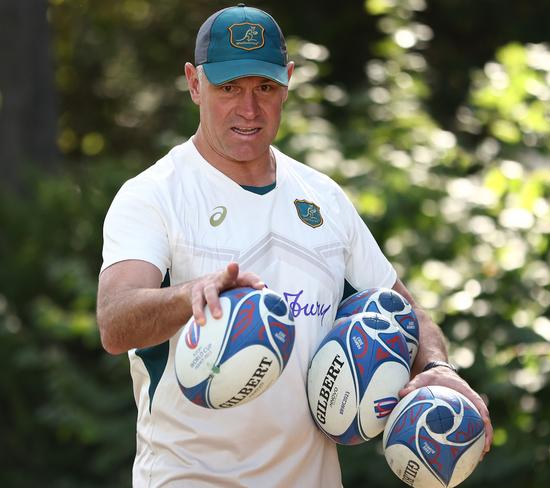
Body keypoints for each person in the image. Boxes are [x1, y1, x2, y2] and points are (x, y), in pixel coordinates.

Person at [96, 4, 492, 487]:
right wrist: (190, 294)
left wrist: (439, 368)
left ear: (287, 81)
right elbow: (115, 321)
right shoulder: (154, 194)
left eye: (264, 88)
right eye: (228, 88)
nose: (248, 109)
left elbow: (406, 312)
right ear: (194, 83)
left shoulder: (322, 197)